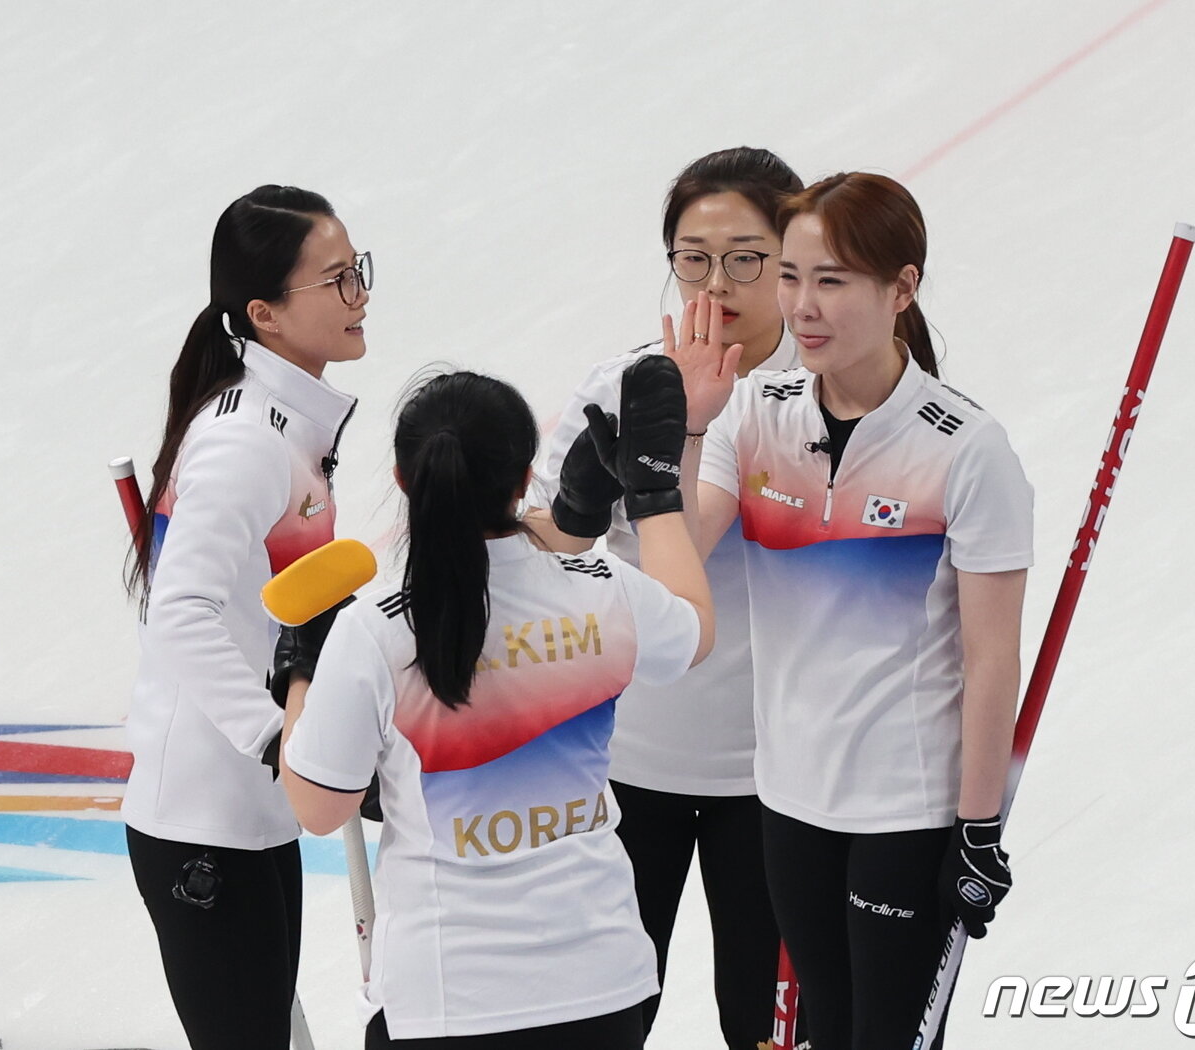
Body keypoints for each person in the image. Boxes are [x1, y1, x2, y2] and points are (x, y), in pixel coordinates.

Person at [672, 172, 1031, 1050]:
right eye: (790, 278)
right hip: (788, 796)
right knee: (824, 1024)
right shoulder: (754, 413)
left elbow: (991, 658)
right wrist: (688, 426)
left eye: (831, 280)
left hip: (905, 810)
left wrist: (978, 825)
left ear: (901, 289)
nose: (802, 305)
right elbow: (677, 557)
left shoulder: (968, 449)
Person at [280, 362, 714, 1049]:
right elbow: (692, 630)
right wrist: (653, 492)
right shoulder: (601, 589)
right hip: (600, 987)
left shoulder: (380, 629)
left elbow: (318, 805)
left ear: (403, 479)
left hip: (448, 1001)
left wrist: (302, 668)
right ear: (521, 482)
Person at [524, 146, 802, 1049]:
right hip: (623, 766)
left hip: (773, 776)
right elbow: (543, 553)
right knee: (606, 1019)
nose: (717, 283)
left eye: (745, 257)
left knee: (760, 1024)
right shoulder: (619, 384)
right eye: (693, 258)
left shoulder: (820, 389)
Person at [121, 184, 370, 1050]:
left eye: (357, 272)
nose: (359, 296)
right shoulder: (245, 443)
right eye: (336, 281)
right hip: (204, 825)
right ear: (264, 314)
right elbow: (179, 613)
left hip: (254, 815)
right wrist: (279, 740)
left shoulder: (287, 424)